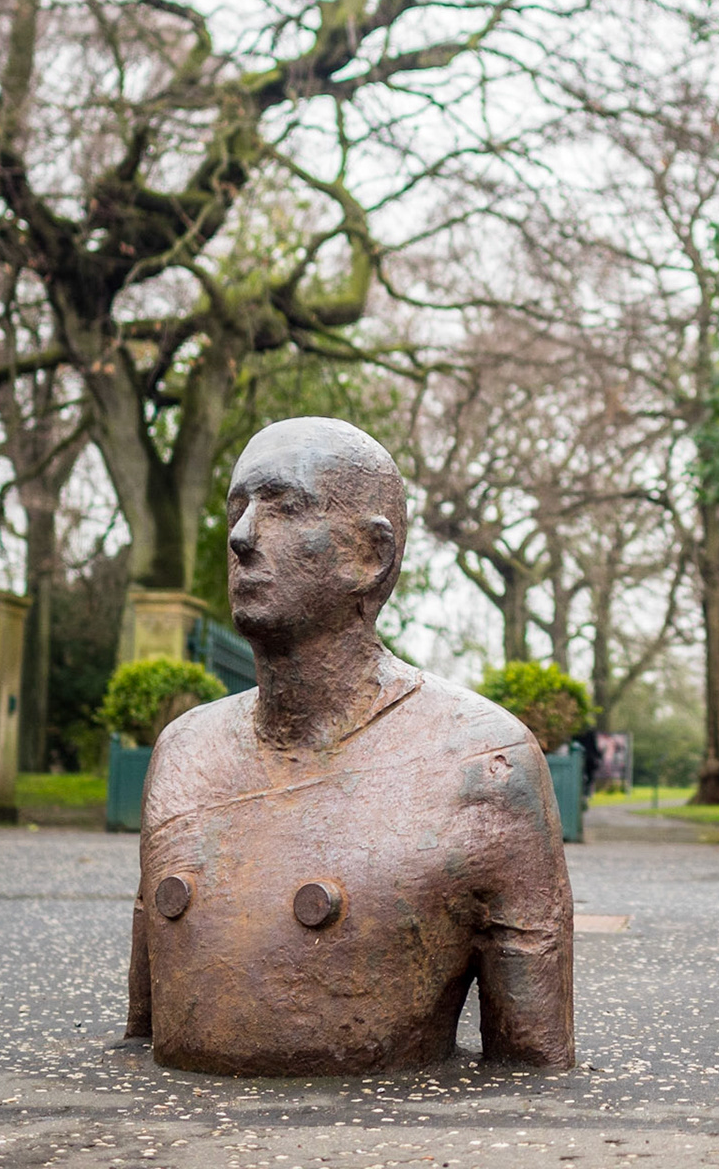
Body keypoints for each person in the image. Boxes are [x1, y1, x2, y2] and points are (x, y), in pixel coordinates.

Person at [122, 418, 574, 1075]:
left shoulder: (486, 764)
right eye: (238, 508)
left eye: (284, 508)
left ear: (372, 555)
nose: (242, 536)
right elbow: (142, 1039)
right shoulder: (183, 751)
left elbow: (533, 1072)